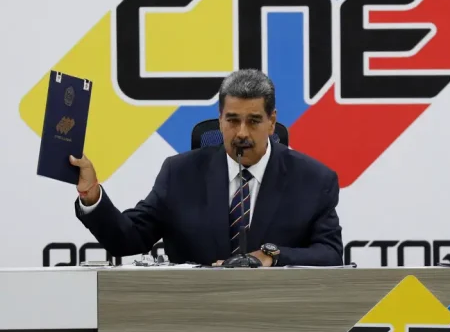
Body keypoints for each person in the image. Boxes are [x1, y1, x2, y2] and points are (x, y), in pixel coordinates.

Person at [70, 69, 343, 267]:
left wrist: (272, 257)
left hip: (275, 319)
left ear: (272, 122)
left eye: (254, 121)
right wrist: (92, 196)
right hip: (194, 319)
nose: (242, 133)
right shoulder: (180, 174)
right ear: (220, 119)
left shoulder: (314, 180)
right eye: (233, 120)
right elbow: (127, 240)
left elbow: (330, 254)